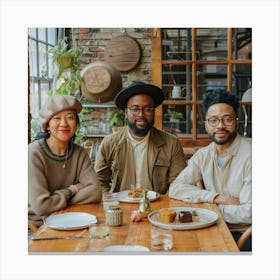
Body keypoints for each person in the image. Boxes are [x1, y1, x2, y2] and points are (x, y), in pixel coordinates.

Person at [169, 88, 252, 251]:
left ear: (237, 121)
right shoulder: (203, 154)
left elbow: (250, 212)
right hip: (210, 228)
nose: (220, 125)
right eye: (213, 120)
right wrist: (216, 198)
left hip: (245, 233)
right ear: (206, 124)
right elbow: (176, 188)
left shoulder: (252, 154)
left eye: (227, 119)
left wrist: (210, 211)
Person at [94, 81, 186, 194]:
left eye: (147, 109)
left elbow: (178, 184)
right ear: (126, 113)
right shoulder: (110, 143)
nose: (141, 114)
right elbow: (99, 182)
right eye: (135, 109)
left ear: (153, 112)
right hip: (120, 206)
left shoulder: (171, 143)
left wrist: (163, 206)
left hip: (157, 207)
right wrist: (110, 204)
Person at [28, 94, 102, 227]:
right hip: (37, 228)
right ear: (47, 125)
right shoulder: (33, 153)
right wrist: (72, 190)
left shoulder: (79, 153)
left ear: (76, 124)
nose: (64, 124)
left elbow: (95, 192)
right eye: (57, 118)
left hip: (71, 220)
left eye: (70, 117)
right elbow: (42, 207)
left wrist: (54, 200)